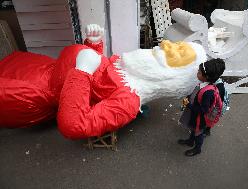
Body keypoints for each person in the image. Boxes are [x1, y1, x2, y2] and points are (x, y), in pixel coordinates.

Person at [0, 24, 207, 139]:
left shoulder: (127, 103)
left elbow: (75, 125)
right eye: (178, 44)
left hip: (28, 92)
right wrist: (94, 45)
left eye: (178, 52)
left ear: (172, 75)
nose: (167, 45)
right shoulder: (129, 68)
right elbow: (100, 75)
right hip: (36, 67)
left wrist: (82, 71)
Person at [178, 58, 225, 156]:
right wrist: (189, 98)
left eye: (199, 72)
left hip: (200, 119)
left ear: (206, 77)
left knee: (198, 133)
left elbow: (204, 110)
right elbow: (196, 94)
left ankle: (197, 148)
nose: (197, 73)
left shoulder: (208, 92)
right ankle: (190, 141)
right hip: (195, 115)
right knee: (193, 128)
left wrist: (189, 105)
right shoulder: (204, 84)